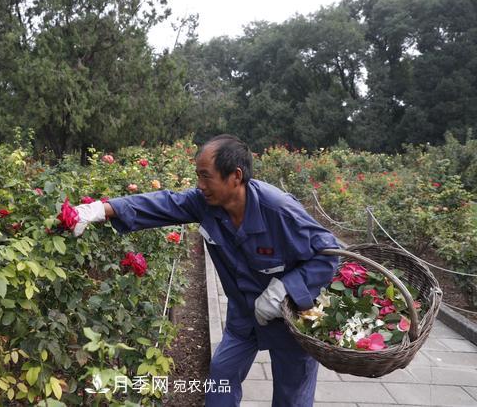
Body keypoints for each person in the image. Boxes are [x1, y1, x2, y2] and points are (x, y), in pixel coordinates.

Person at [73, 134, 340, 407]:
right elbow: (164, 203)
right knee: (221, 381)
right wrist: (100, 210)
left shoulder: (279, 210)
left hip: (290, 319)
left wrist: (285, 288)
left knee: (291, 395)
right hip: (244, 315)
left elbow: (329, 255)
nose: (199, 185)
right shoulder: (206, 203)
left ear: (235, 176)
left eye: (205, 176)